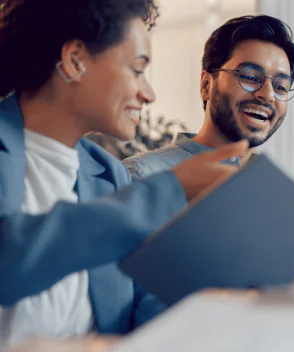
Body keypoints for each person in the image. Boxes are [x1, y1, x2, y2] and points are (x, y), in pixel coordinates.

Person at [0, 0, 247, 345]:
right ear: (75, 61)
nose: (148, 93)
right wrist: (171, 190)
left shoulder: (108, 174)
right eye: (137, 69)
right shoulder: (143, 193)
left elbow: (136, 306)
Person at [123, 15, 294, 288]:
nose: (267, 94)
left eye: (281, 86)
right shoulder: (140, 176)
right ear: (206, 85)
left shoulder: (282, 191)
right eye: (249, 77)